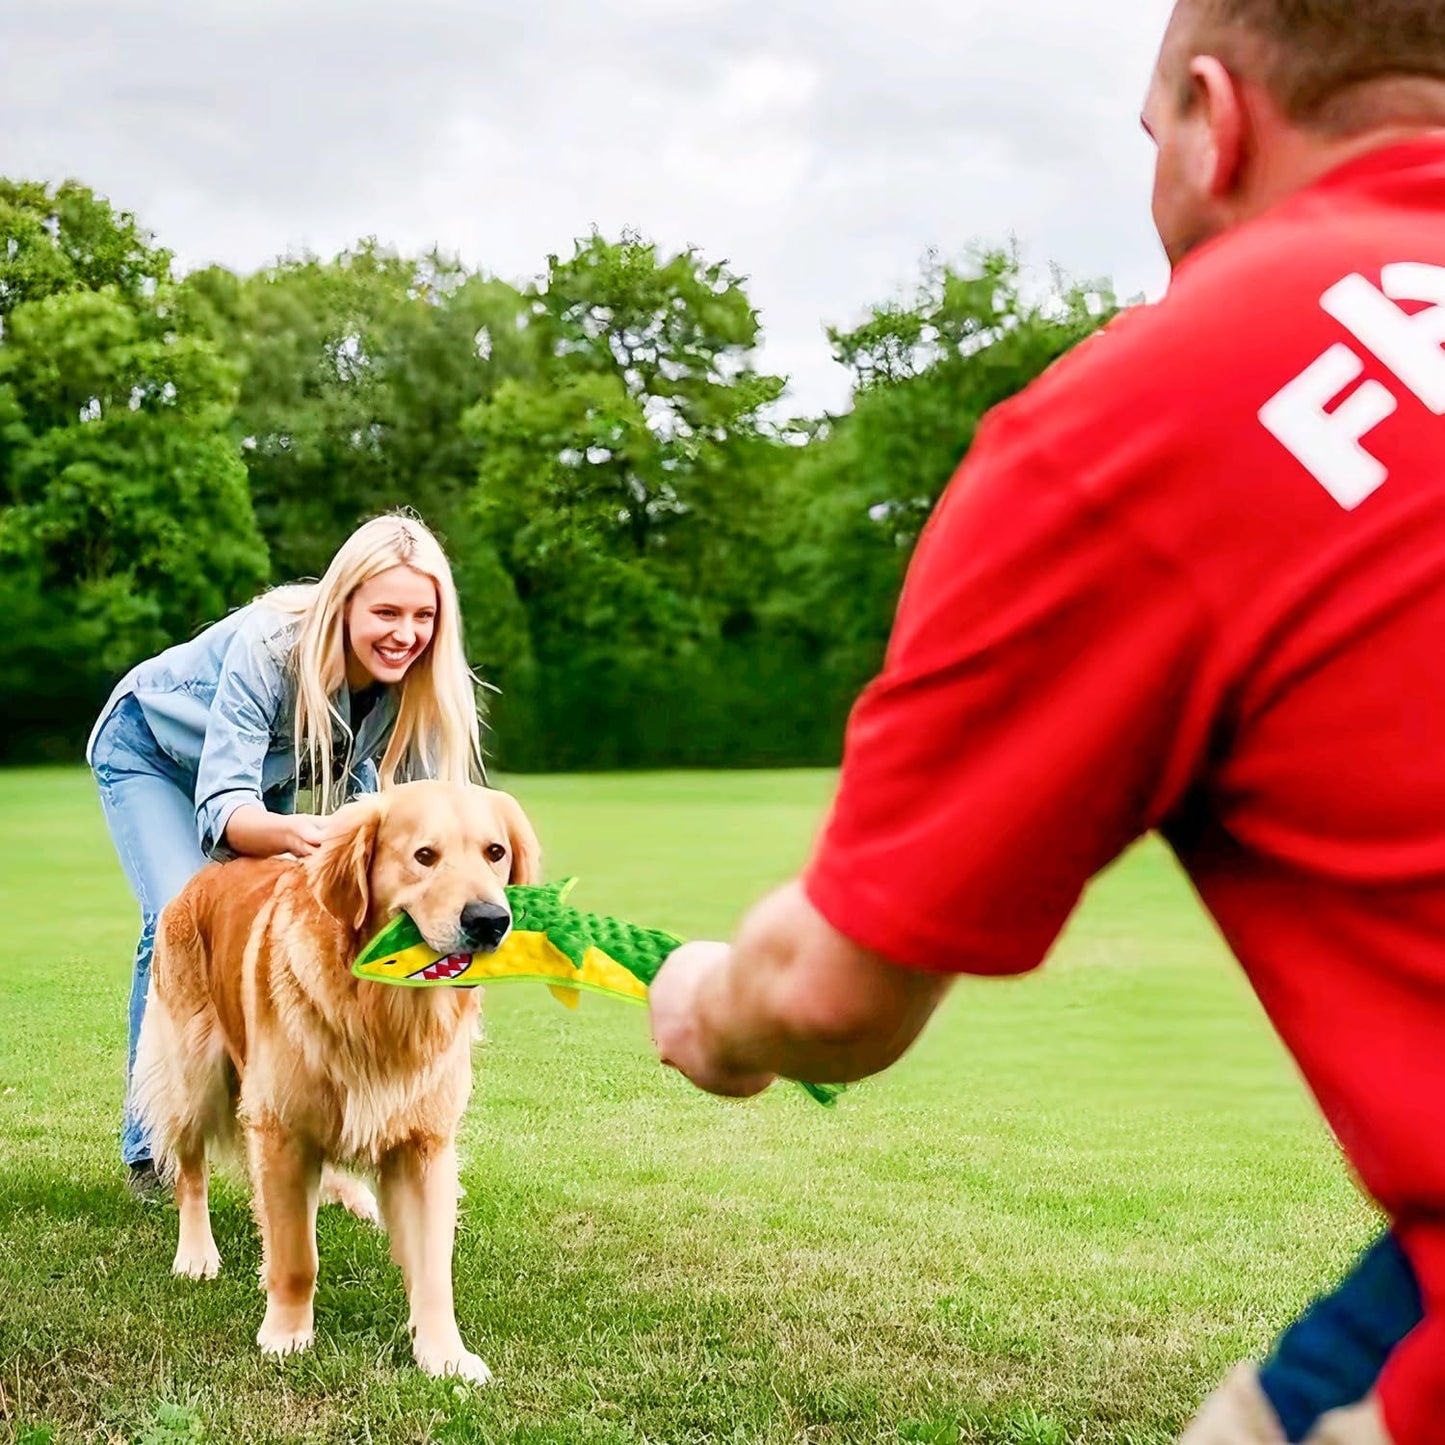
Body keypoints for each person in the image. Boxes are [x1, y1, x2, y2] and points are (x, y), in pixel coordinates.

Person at [648, 2, 1445, 1440]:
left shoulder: (1151, 409)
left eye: (1153, 144)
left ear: (1218, 116)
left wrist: (713, 1004)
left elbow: (834, 990)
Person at [88, 512, 483, 1199]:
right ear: (344, 602)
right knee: (181, 910)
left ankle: (299, 1119)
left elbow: (418, 811)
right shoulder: (270, 646)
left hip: (253, 782)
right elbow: (225, 809)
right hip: (150, 751)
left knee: (321, 916)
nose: (405, 632)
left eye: (423, 614)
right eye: (385, 610)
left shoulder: (411, 680)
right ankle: (150, 1152)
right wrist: (307, 835)